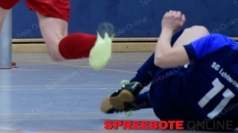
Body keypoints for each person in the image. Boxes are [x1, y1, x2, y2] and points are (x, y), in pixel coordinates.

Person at [101, 10, 238, 126]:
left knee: (199, 31)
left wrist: (167, 28)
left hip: (165, 107)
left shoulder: (221, 44)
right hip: (205, 125)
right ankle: (139, 101)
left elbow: (162, 59)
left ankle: (136, 83)